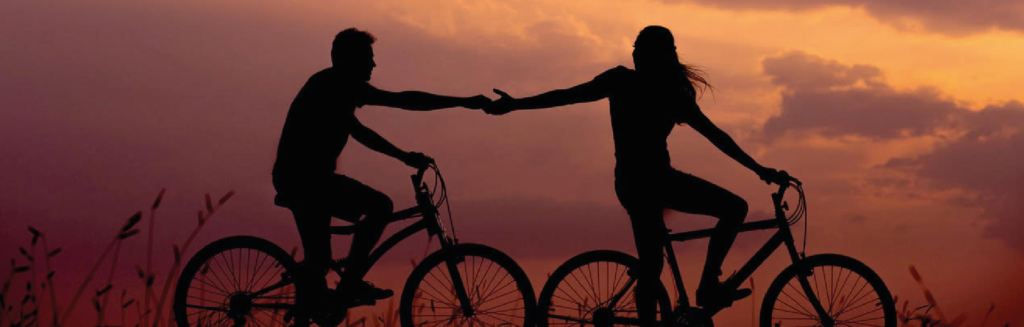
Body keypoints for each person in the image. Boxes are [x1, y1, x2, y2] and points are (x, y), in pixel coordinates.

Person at [484, 25, 781, 324]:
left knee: (655, 263)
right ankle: (707, 286)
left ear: (659, 54)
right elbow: (567, 96)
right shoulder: (632, 83)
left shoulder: (656, 89)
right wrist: (516, 104)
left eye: (641, 47)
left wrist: (759, 169)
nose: (635, 52)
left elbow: (717, 136)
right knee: (723, 216)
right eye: (635, 47)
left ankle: (704, 288)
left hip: (641, 183)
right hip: (650, 183)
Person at [272, 28, 490, 308]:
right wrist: (463, 102)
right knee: (379, 207)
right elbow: (402, 102)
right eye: (368, 58)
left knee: (319, 262)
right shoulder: (333, 85)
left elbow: (362, 129)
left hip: (311, 180)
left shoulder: (336, 88)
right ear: (350, 59)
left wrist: (403, 155)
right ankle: (349, 282)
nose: (373, 65)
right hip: (303, 181)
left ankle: (334, 288)